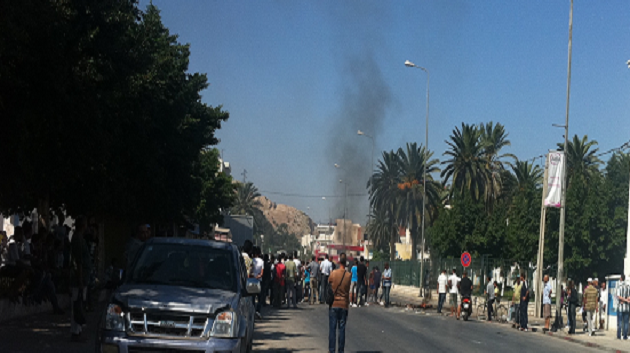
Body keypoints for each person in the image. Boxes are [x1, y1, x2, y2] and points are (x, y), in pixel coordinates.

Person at [70, 216, 92, 341]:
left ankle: (78, 330)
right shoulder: (78, 239)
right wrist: (80, 279)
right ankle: (75, 332)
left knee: (79, 302)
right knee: (77, 304)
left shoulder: (79, 238)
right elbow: (79, 261)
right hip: (79, 277)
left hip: (83, 276)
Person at [328, 253, 351, 353]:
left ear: (338, 261)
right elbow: (347, 288)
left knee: (332, 329)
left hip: (334, 304)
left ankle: (331, 350)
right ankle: (341, 350)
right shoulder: (349, 275)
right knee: (342, 329)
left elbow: (329, 282)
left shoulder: (333, 273)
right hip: (344, 304)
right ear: (345, 263)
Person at [251, 247, 264, 317]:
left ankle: (252, 310)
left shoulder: (252, 260)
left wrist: (254, 276)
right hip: (259, 281)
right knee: (259, 297)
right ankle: (258, 310)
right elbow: (262, 273)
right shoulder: (262, 261)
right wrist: (258, 277)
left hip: (252, 280)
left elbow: (250, 271)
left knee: (253, 297)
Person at [617, 274, 629, 340]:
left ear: (621, 278)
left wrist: (623, 300)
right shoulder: (628, 286)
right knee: (626, 322)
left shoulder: (620, 286)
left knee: (620, 322)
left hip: (621, 307)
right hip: (627, 307)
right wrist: (627, 300)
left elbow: (618, 296)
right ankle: (625, 336)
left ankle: (619, 335)